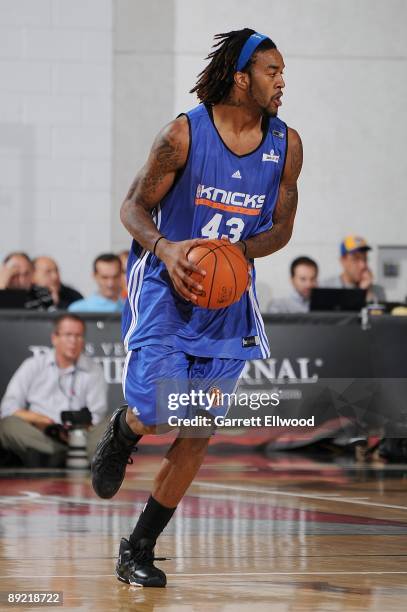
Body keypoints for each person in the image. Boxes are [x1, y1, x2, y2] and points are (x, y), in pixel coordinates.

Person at [91, 28, 302, 588]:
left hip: (226, 302)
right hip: (165, 288)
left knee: (199, 429)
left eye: (283, 72)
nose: (282, 81)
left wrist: (237, 252)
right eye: (272, 72)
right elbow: (133, 206)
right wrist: (168, 247)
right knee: (162, 413)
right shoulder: (182, 136)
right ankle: (126, 429)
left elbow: (281, 229)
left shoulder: (287, 144)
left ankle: (139, 546)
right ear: (241, 77)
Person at [0, 314, 108, 467]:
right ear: (54, 338)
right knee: (7, 425)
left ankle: (59, 458)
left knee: (111, 424)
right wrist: (42, 421)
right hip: (40, 434)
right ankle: (60, 455)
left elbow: (96, 416)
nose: (73, 341)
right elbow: (8, 408)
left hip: (81, 436)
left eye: (78, 336)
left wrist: (74, 430)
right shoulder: (33, 365)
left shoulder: (93, 370)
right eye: (68, 335)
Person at [323, 235, 386, 303]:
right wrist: (360, 293)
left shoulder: (378, 291)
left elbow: (378, 312)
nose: (363, 265)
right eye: (356, 259)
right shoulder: (326, 288)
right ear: (343, 261)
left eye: (365, 259)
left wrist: (366, 292)